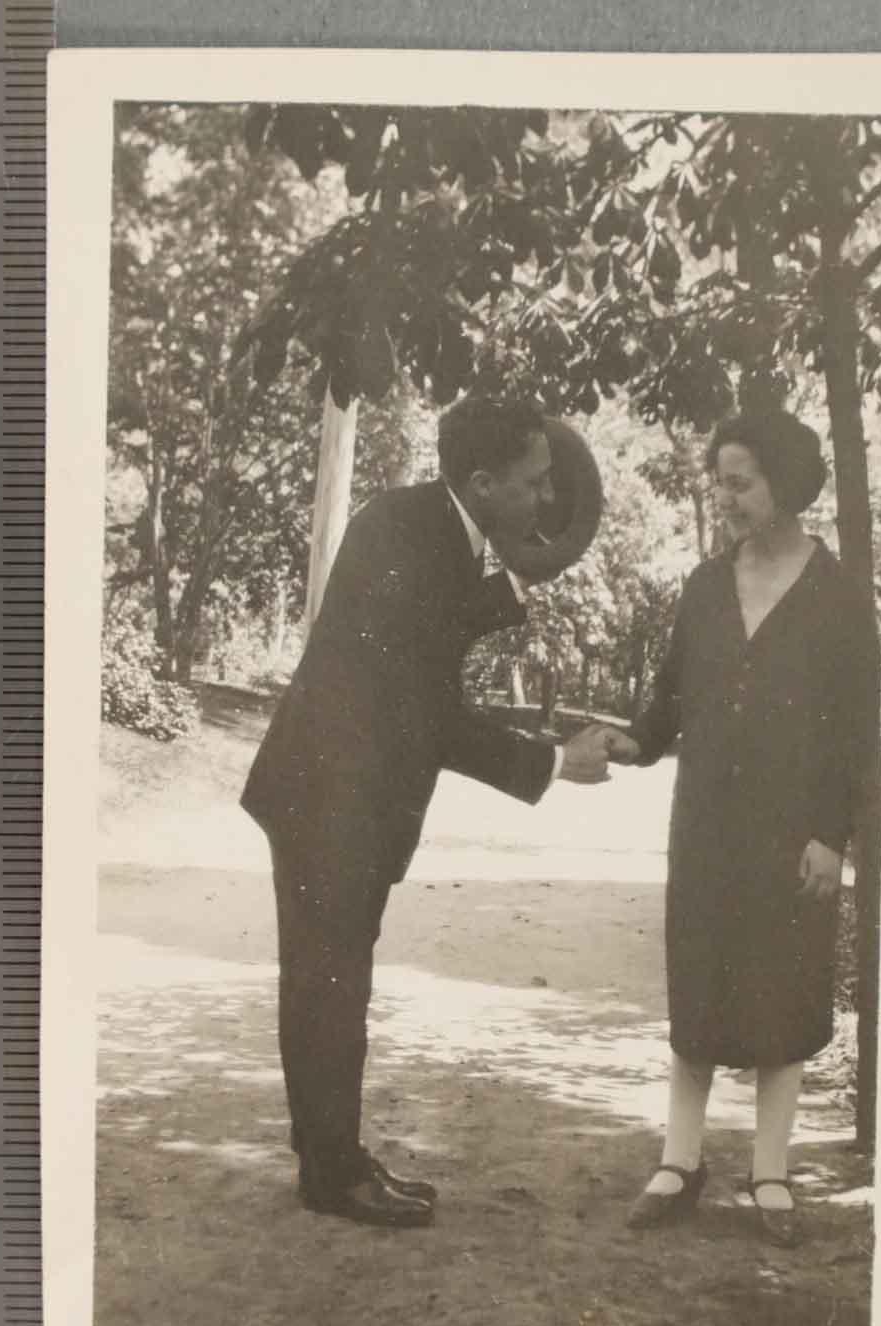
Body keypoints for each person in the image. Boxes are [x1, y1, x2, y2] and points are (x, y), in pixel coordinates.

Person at [242, 395, 614, 1228]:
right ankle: (333, 1176)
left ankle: (330, 1157)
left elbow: (427, 637)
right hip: (329, 801)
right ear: (480, 482)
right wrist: (552, 762)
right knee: (331, 985)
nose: (542, 500)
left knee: (326, 983)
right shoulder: (416, 537)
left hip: (334, 796)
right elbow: (424, 707)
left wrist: (513, 576)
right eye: (532, 482)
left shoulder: (426, 528)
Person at [607, 407, 881, 1247]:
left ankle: (770, 1171)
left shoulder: (836, 596)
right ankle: (678, 1160)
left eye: (740, 483)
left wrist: (832, 837)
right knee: (697, 983)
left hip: (791, 832)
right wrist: (623, 742)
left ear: (786, 483)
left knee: (783, 990)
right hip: (706, 826)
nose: (724, 498)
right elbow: (666, 705)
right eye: (718, 482)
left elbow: (854, 730)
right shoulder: (702, 585)